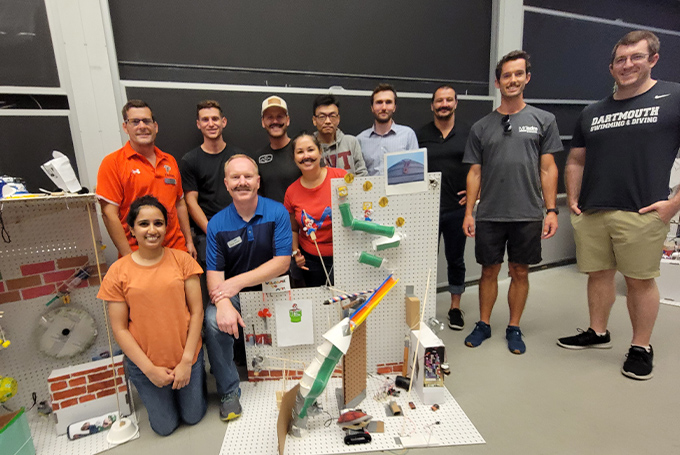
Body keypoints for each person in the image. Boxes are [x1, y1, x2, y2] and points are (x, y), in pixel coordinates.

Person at [557, 31, 680, 380]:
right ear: (611, 67)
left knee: (640, 281)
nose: (628, 65)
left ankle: (641, 346)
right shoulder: (593, 111)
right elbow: (576, 160)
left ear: (652, 59)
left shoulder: (672, 98)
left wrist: (674, 204)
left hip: (641, 211)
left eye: (636, 57)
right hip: (594, 210)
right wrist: (575, 199)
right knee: (598, 275)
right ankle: (598, 332)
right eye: (621, 60)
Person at [462, 50, 561, 355]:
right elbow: (475, 173)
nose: (513, 80)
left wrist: (552, 210)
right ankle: (483, 323)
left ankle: (514, 327)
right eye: (507, 75)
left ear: (527, 78)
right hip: (490, 213)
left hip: (527, 212)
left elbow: (548, 168)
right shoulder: (481, 127)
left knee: (520, 271)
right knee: (488, 271)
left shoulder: (544, 120)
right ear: (497, 82)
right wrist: (469, 212)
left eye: (519, 74)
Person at [97, 195, 206, 436]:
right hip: (146, 365)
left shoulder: (183, 261)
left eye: (158, 223)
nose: (152, 230)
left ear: (166, 227)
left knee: (193, 417)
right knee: (164, 428)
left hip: (187, 357)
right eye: (144, 224)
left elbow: (197, 312)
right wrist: (149, 369)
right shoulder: (118, 272)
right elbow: (120, 329)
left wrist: (187, 361)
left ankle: (191, 386)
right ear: (132, 230)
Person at [204, 154, 292, 420]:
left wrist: (236, 282)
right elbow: (214, 274)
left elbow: (282, 263)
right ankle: (229, 391)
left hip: (274, 291)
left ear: (258, 181)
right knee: (211, 321)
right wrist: (221, 304)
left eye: (247, 176)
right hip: (236, 297)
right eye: (235, 177)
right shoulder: (217, 224)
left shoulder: (277, 212)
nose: (242, 182)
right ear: (227, 184)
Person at [96, 100, 196, 258]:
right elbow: (109, 214)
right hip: (138, 253)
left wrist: (189, 242)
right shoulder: (113, 163)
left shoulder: (169, 161)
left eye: (146, 121)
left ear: (155, 127)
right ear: (125, 127)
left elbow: (179, 203)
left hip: (176, 250)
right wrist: (129, 256)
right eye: (135, 122)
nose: (142, 126)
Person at [417, 85, 471, 330]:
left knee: (455, 259)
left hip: (457, 209)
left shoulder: (468, 133)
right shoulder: (421, 134)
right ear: (432, 105)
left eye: (449, 100)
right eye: (439, 101)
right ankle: (424, 308)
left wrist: (474, 195)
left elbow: (480, 169)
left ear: (456, 103)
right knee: (425, 261)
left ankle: (455, 307)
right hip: (426, 210)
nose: (444, 104)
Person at [284, 133, 347, 287]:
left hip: (345, 254)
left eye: (310, 150)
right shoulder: (291, 192)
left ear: (320, 151)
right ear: (294, 158)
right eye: (300, 152)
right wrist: (295, 252)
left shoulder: (341, 177)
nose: (306, 156)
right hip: (312, 260)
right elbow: (293, 229)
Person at [357, 83, 418, 175]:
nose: (384, 107)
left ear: (394, 107)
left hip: (400, 188)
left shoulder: (408, 135)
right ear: (372, 108)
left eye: (388, 102)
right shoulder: (360, 140)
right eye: (379, 102)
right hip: (371, 189)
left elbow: (415, 172)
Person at [250, 95, 301, 203]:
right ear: (263, 122)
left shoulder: (302, 150)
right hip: (271, 218)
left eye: (279, 116)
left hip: (302, 217)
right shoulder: (258, 158)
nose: (275, 121)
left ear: (287, 120)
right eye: (269, 117)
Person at [312, 94, 368, 176]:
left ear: (338, 119)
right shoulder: (309, 147)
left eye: (332, 116)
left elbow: (362, 174)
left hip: (350, 188)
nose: (328, 121)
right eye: (322, 116)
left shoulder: (351, 142)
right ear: (314, 120)